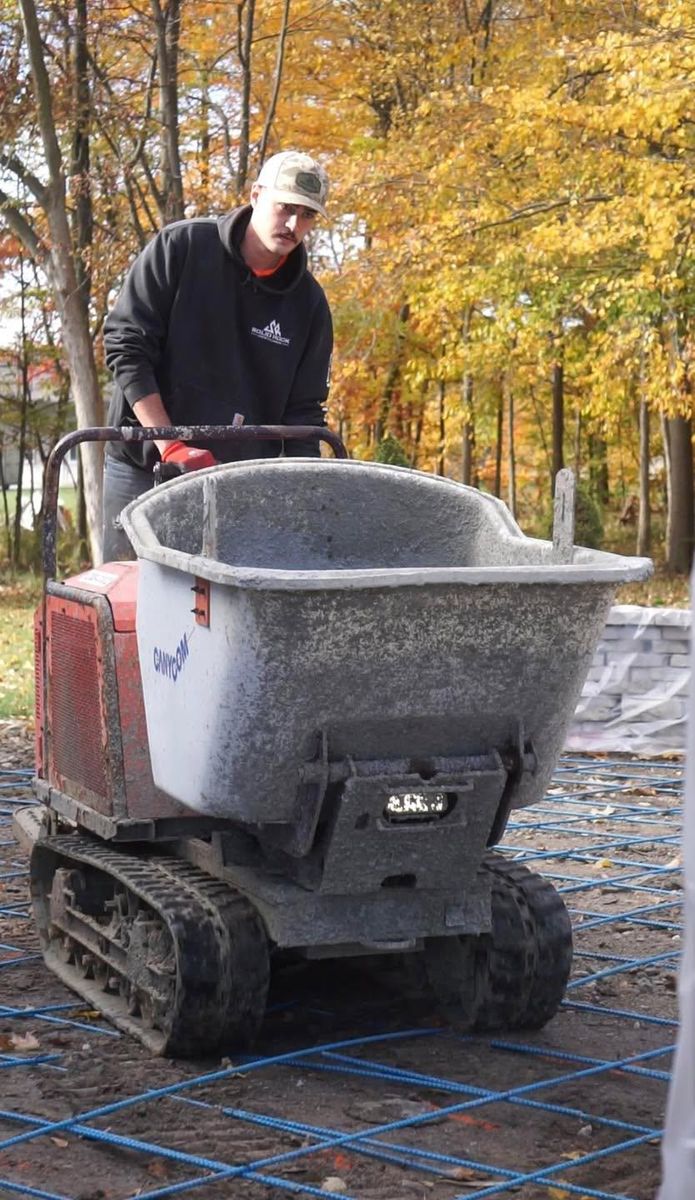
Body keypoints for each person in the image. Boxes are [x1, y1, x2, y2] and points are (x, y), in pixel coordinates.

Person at [101, 150, 333, 561]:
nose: (294, 224)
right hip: (143, 465)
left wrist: (303, 499)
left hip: (236, 489)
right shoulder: (182, 247)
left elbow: (303, 414)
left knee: (222, 615)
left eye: (308, 215)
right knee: (128, 605)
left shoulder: (309, 305)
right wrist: (169, 444)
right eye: (286, 208)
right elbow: (126, 344)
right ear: (256, 194)